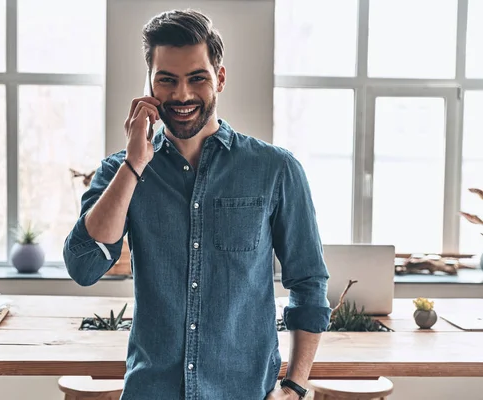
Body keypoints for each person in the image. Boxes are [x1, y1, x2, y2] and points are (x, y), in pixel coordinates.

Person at [63, 9, 331, 400]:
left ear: (220, 78)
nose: (182, 94)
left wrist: (295, 386)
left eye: (197, 78)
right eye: (167, 80)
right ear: (150, 85)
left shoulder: (276, 169)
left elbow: (308, 283)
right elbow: (84, 266)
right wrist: (135, 163)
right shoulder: (120, 172)